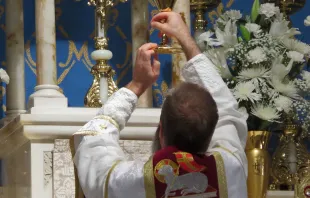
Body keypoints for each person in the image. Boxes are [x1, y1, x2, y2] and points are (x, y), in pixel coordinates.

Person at [73, 12, 248, 198]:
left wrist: (136, 85)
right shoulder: (230, 169)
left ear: (161, 131)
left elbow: (93, 139)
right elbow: (227, 109)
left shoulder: (130, 182)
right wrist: (185, 38)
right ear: (212, 132)